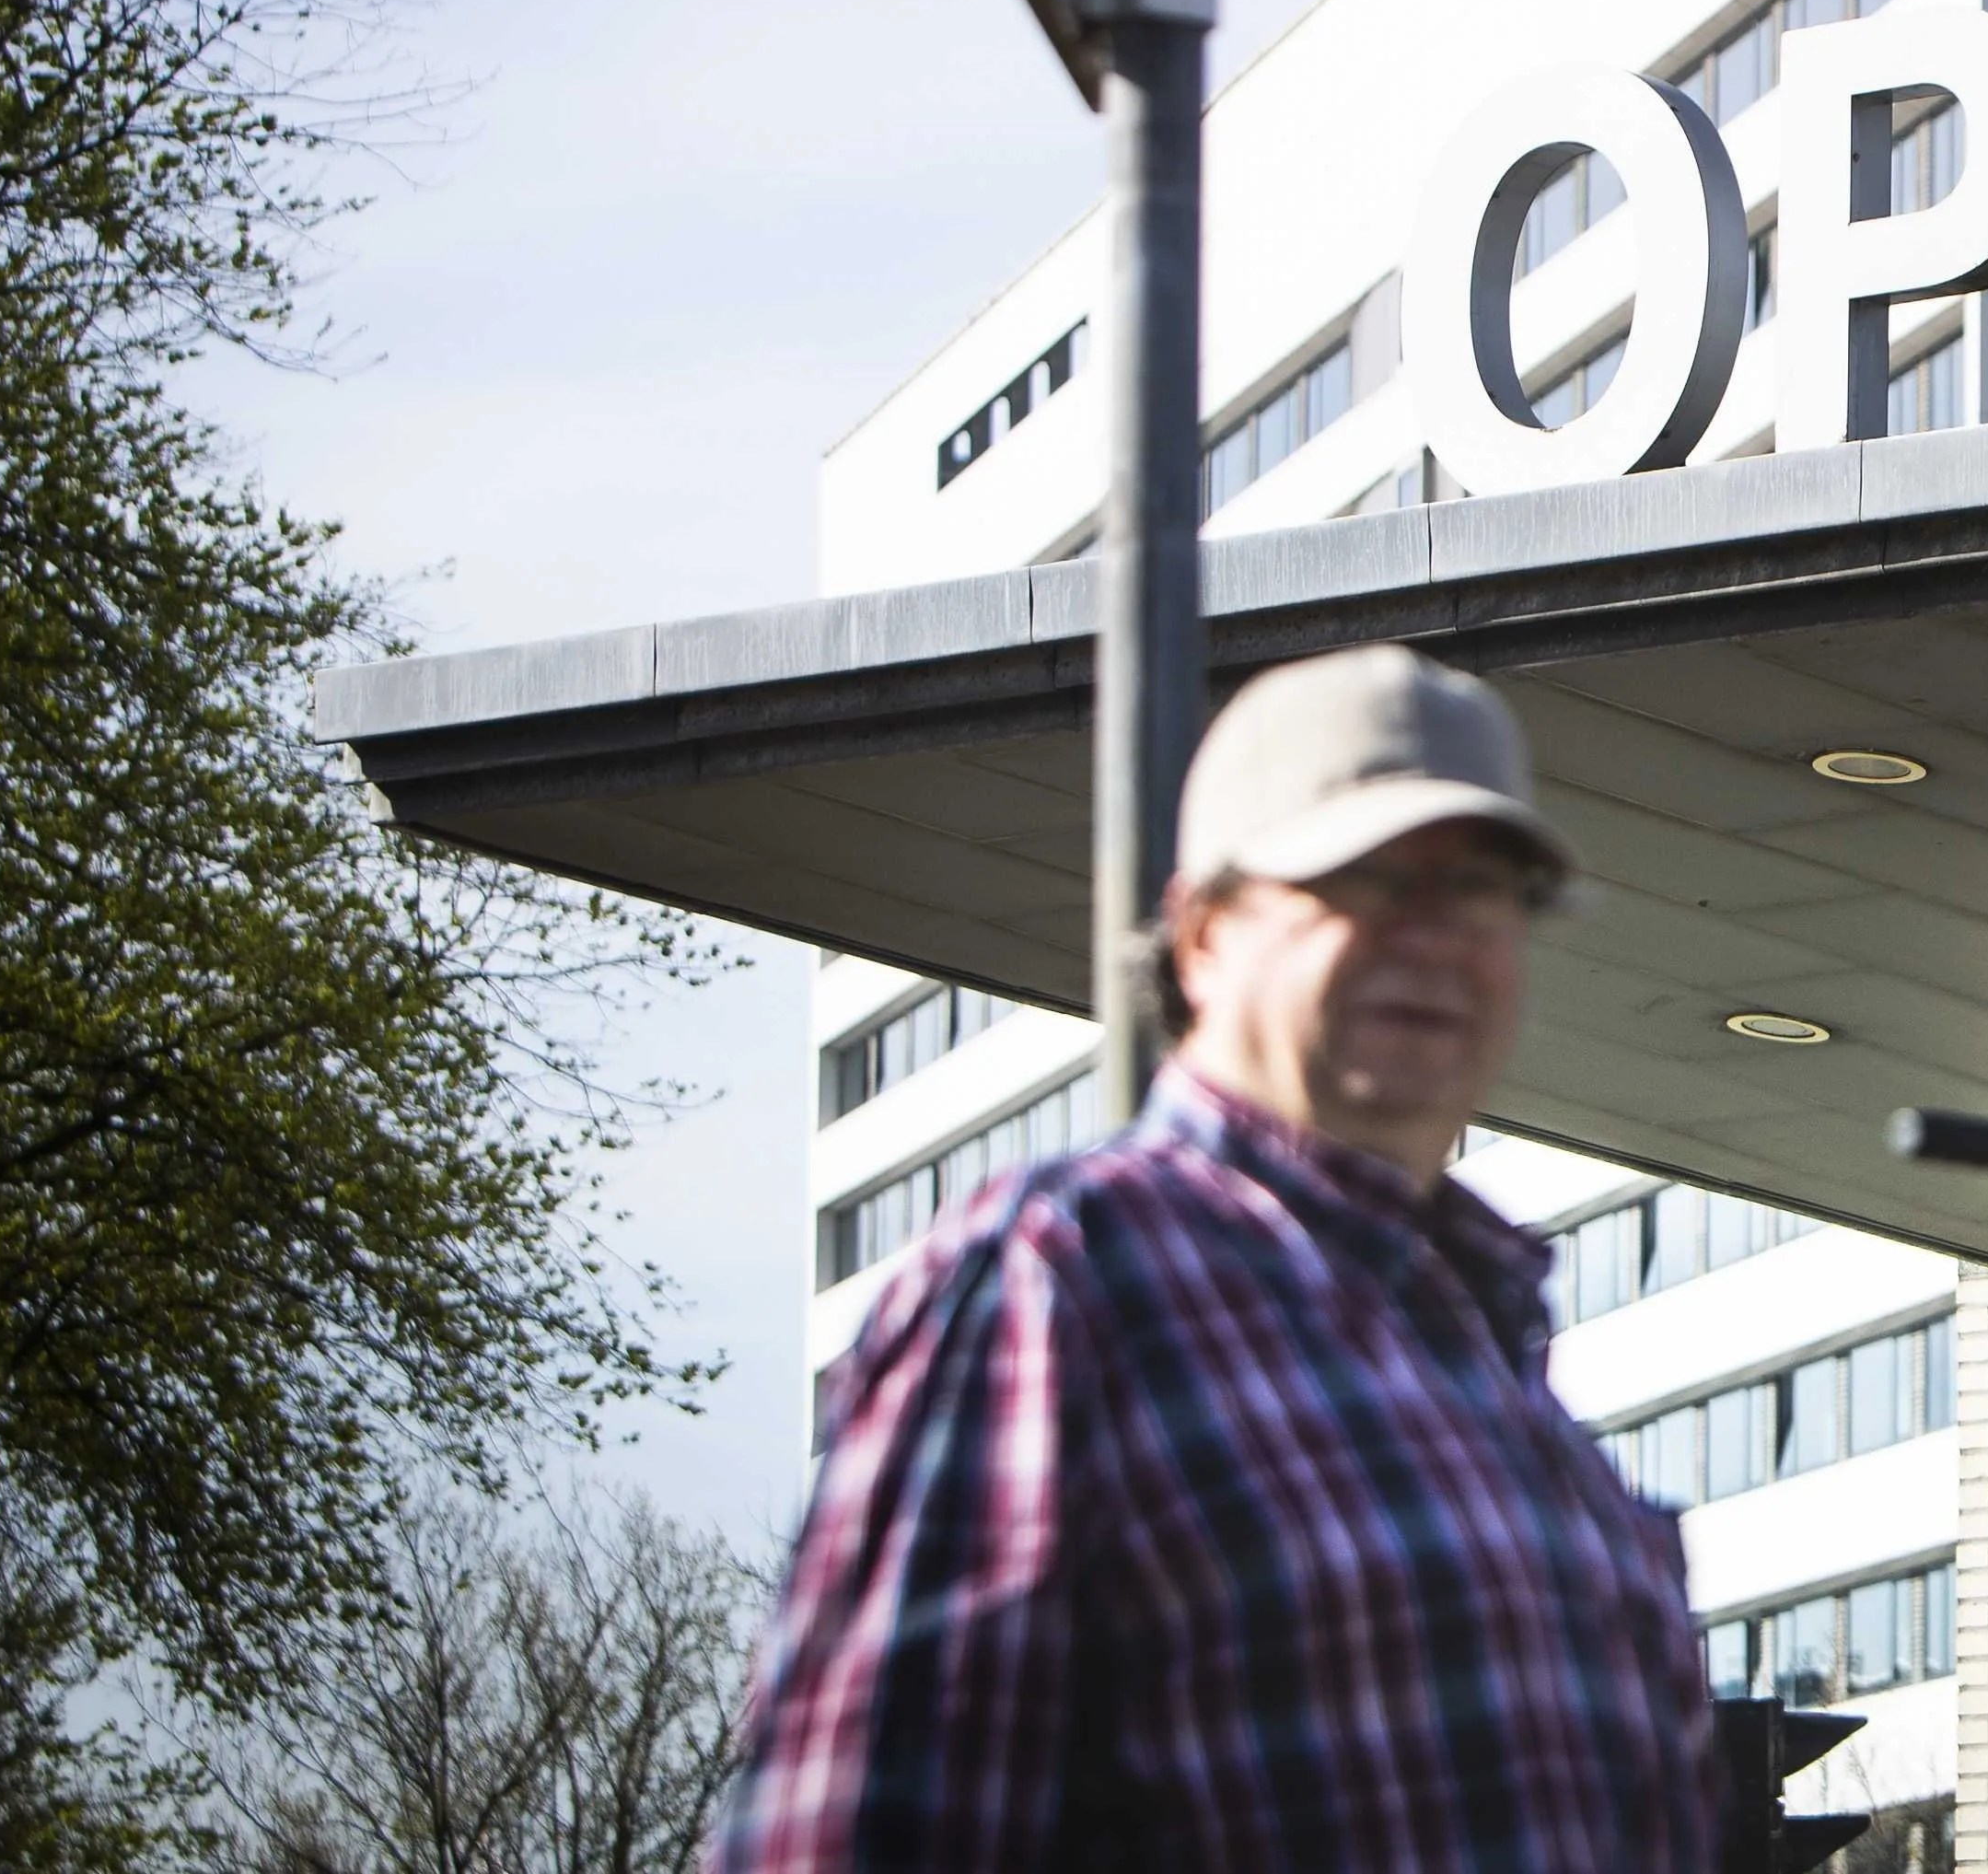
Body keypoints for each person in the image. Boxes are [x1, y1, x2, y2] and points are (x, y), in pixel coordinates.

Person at [705, 646, 1718, 1873]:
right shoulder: (1055, 1280)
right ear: (1198, 935)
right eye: (1364, 880)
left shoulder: (1506, 1375)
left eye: (1482, 889)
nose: (1435, 937)